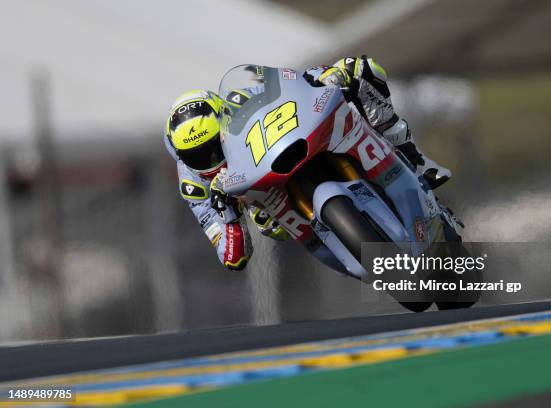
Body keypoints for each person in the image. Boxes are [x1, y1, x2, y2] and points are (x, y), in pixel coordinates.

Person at [164, 57, 450, 270]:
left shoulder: (239, 99)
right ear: (181, 155)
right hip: (262, 195)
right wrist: (227, 215)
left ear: (223, 118)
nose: (212, 159)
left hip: (290, 144)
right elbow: (232, 258)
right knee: (266, 223)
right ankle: (339, 244)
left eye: (215, 146)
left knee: (360, 69)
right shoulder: (193, 184)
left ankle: (414, 158)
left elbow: (290, 85)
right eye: (199, 156)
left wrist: (325, 76)